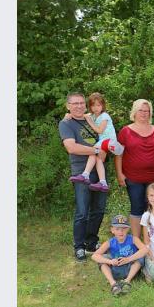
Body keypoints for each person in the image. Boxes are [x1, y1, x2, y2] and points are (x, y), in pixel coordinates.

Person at [59, 92, 110, 261]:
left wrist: (105, 150)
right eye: (75, 103)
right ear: (68, 106)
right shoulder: (66, 123)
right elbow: (71, 148)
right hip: (81, 172)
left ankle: (91, 242)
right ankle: (79, 246)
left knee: (99, 209)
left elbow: (104, 137)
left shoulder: (92, 119)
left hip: (100, 170)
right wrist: (96, 150)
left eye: (81, 103)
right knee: (82, 211)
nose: (79, 106)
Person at [114, 99, 154, 239]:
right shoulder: (125, 131)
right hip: (134, 178)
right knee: (137, 208)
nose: (144, 113)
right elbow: (118, 154)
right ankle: (136, 240)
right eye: (141, 110)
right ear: (134, 112)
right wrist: (120, 174)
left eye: (147, 111)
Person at [67, 92, 115, 192]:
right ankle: (103, 182)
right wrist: (67, 114)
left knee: (92, 152)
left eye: (98, 105)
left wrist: (90, 121)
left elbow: (100, 130)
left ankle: (85, 175)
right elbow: (80, 115)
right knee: (97, 158)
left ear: (103, 106)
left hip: (109, 141)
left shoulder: (105, 116)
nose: (96, 108)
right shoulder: (92, 115)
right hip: (103, 141)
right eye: (93, 105)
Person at [90, 215, 148, 296]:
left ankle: (127, 281)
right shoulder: (110, 242)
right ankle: (113, 284)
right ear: (112, 230)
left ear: (128, 229)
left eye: (123, 229)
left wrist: (128, 259)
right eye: (117, 229)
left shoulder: (133, 239)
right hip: (116, 268)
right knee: (102, 259)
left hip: (131, 268)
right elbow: (94, 256)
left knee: (140, 256)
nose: (121, 232)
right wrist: (110, 261)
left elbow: (145, 249)